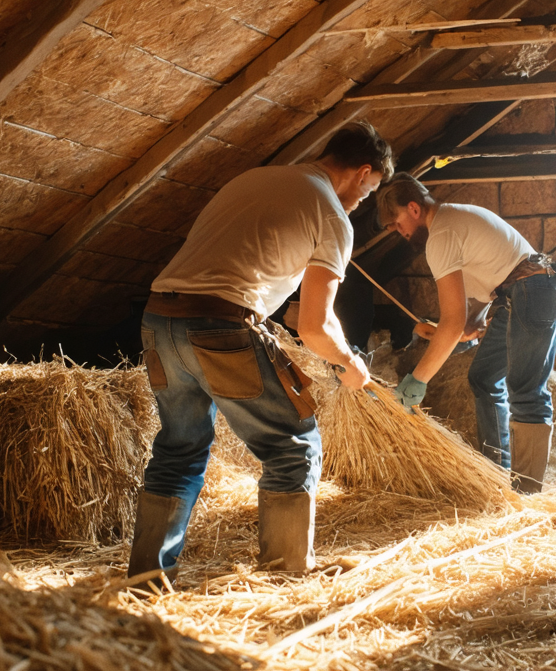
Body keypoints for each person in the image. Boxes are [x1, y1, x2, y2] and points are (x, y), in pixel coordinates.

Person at [128, 124, 394, 583]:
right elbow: (314, 326)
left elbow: (290, 312)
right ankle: (286, 576)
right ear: (362, 172)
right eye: (368, 192)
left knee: (179, 450)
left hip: (159, 320)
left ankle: (145, 578)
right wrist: (350, 365)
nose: (362, 201)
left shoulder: (255, 179)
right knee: (295, 447)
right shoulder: (332, 215)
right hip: (219, 325)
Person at [377, 173, 556, 494]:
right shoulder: (454, 217)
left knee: (526, 391)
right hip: (523, 292)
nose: (401, 233)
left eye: (398, 224)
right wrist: (474, 321)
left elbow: (452, 322)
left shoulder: (440, 235)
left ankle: (527, 494)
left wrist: (418, 379)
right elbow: (490, 281)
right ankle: (496, 470)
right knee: (483, 377)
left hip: (533, 290)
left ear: (413, 208)